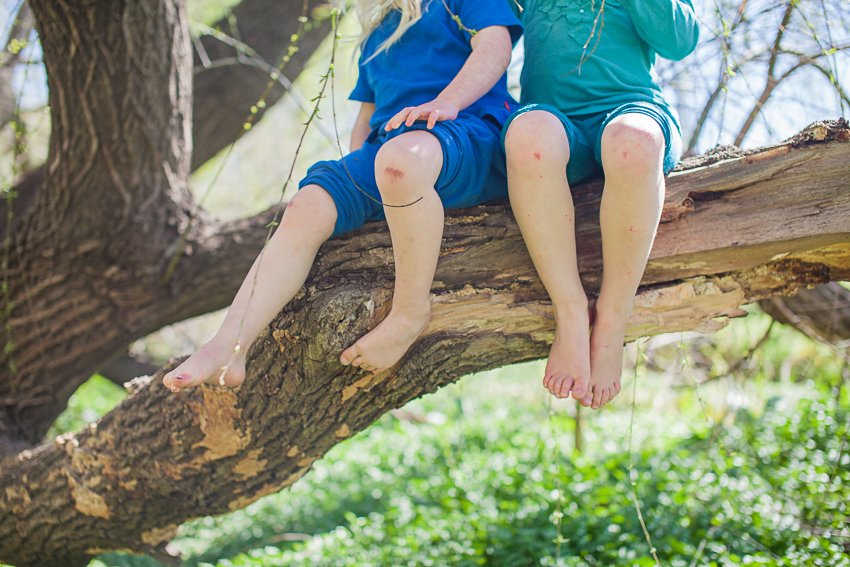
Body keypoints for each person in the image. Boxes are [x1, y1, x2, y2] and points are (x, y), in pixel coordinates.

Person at [163, 0, 522, 391]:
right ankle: (229, 346)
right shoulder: (377, 29)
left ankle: (408, 314)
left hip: (468, 134)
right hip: (391, 153)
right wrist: (353, 189)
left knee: (399, 164)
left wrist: (446, 103)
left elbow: (495, 48)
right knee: (307, 205)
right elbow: (368, 118)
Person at [502, 0, 698, 408]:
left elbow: (680, 42)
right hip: (555, 119)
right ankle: (570, 312)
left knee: (633, 143)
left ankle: (612, 317)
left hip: (632, 108)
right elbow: (481, 26)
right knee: (528, 138)